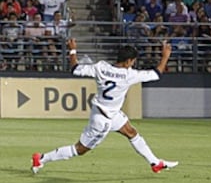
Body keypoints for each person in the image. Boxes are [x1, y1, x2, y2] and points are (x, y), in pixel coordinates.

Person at [31, 38, 178, 174]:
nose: (132, 64)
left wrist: (73, 50)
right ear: (127, 61)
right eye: (132, 61)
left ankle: (154, 162)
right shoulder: (129, 75)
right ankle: (41, 159)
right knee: (80, 149)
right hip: (103, 119)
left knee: (131, 132)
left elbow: (75, 69)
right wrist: (165, 56)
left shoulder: (101, 67)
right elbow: (157, 73)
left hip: (109, 112)